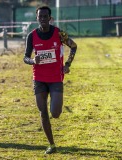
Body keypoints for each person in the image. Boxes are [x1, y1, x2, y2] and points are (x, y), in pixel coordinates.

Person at [23, 6, 77, 154]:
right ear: (37, 18)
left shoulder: (59, 33)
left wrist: (67, 64)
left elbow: (73, 46)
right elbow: (25, 57)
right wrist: (33, 60)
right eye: (40, 17)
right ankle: (52, 144)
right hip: (39, 78)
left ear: (50, 18)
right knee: (43, 112)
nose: (43, 19)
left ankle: (52, 141)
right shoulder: (31, 36)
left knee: (56, 113)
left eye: (45, 16)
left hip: (55, 78)